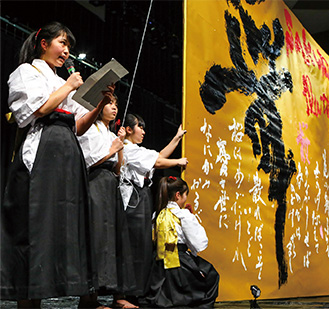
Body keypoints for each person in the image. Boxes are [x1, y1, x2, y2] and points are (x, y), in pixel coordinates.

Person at [1, 22, 114, 308]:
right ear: (43, 43)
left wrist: (99, 104)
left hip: (67, 150)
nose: (65, 51)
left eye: (68, 47)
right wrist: (69, 86)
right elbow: (35, 110)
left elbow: (78, 125)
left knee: (67, 222)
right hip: (42, 150)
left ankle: (71, 288)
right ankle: (29, 298)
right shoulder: (27, 71)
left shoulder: (61, 81)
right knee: (36, 222)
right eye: (62, 43)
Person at [119, 114, 189, 303]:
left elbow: (157, 157)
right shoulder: (127, 148)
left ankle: (138, 291)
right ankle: (127, 293)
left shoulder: (137, 150)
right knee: (133, 246)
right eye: (139, 127)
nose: (143, 131)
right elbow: (158, 162)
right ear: (128, 129)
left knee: (142, 245)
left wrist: (176, 138)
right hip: (132, 201)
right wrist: (178, 162)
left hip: (142, 198)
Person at [77, 95, 137, 308]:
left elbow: (119, 168)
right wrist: (111, 150)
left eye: (116, 104)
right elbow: (86, 160)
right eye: (110, 103)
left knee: (115, 237)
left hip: (110, 183)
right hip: (95, 182)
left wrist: (119, 149)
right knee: (96, 237)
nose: (114, 108)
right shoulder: (89, 130)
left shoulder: (110, 133)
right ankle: (88, 299)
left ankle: (118, 295)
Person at [146, 176, 219, 307]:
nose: (186, 199)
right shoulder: (183, 215)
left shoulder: (157, 214)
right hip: (180, 264)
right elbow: (198, 243)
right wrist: (190, 217)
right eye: (185, 195)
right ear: (178, 195)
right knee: (212, 275)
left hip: (158, 265)